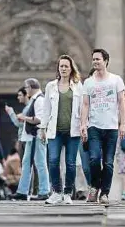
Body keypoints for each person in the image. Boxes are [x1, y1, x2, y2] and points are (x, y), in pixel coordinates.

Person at [80, 48, 125, 205]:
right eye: (93, 59)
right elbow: (85, 105)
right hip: (94, 126)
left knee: (108, 162)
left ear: (106, 61)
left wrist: (123, 124)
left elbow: (121, 103)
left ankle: (104, 193)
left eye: (97, 59)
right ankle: (94, 187)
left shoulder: (116, 80)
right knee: (94, 159)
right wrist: (83, 125)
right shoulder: (88, 82)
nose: (95, 62)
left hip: (111, 127)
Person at [42, 54, 84, 205]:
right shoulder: (51, 86)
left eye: (66, 66)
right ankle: (56, 192)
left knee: (71, 163)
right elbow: (46, 109)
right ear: (58, 69)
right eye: (61, 66)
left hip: (73, 131)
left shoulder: (78, 86)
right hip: (55, 131)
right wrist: (42, 128)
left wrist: (84, 126)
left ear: (71, 68)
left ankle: (67, 193)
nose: (64, 69)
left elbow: (83, 107)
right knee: (53, 161)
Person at [10, 78, 50, 201]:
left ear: (31, 87)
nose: (26, 90)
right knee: (27, 163)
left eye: (26, 88)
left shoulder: (40, 100)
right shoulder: (36, 99)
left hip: (35, 136)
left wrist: (24, 117)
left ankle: (44, 191)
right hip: (31, 136)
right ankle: (23, 191)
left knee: (40, 163)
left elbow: (39, 119)